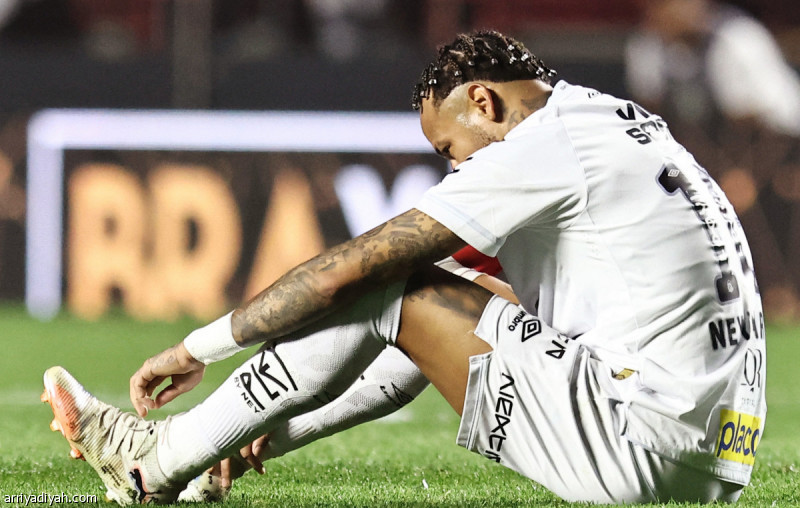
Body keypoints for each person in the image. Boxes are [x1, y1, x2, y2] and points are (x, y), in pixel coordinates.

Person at [42, 30, 766, 504]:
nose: (454, 171)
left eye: (450, 150)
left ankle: (154, 463)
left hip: (641, 445)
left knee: (393, 282)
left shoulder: (542, 147)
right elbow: (450, 320)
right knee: (451, 297)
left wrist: (197, 347)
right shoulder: (613, 123)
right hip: (715, 462)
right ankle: (205, 455)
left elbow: (343, 276)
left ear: (483, 102)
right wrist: (250, 421)